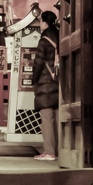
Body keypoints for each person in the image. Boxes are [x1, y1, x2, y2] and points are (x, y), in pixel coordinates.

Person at [32, 10, 60, 161]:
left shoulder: (44, 40)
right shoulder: (61, 36)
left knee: (47, 118)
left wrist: (34, 80)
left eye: (40, 21)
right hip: (59, 82)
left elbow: (38, 63)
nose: (39, 24)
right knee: (57, 117)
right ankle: (60, 150)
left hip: (46, 83)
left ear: (45, 22)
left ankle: (49, 151)